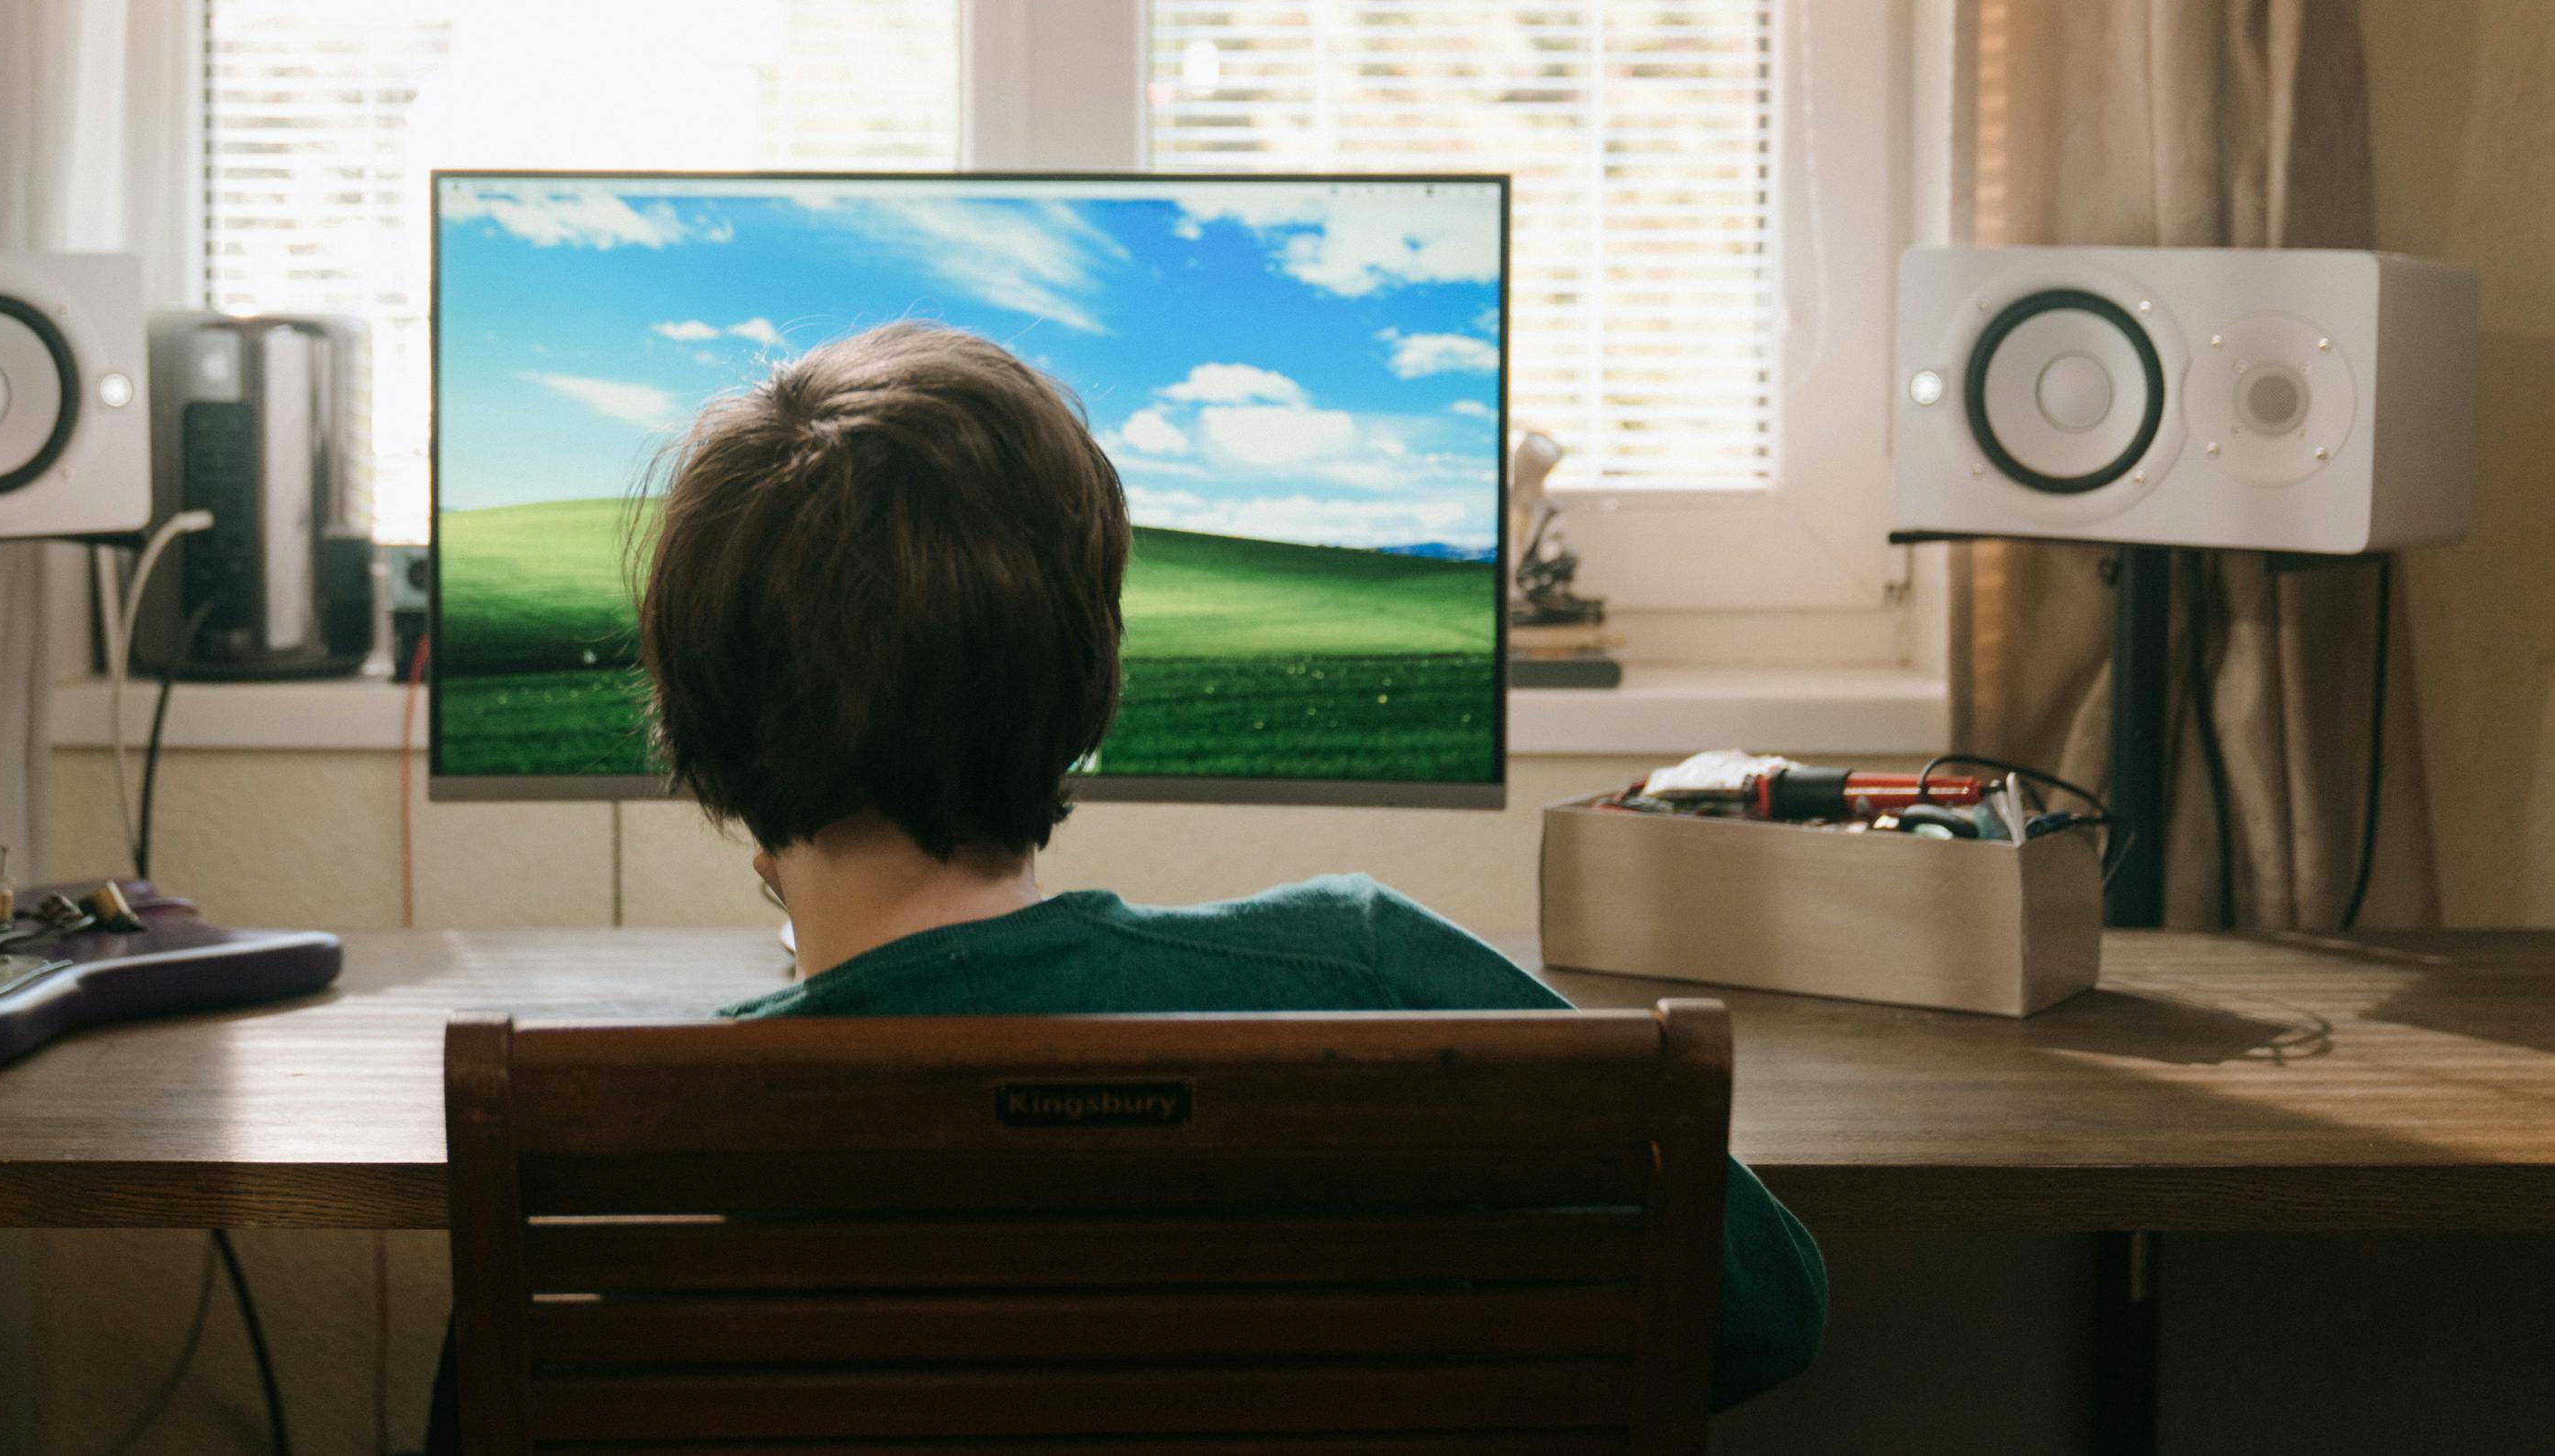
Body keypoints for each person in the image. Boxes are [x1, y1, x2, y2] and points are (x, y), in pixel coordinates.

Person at [430, 321, 1823, 1446]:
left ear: (702, 720)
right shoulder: (1362, 967)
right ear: (1088, 680)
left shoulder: (610, 1132)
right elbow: (1764, 1305)